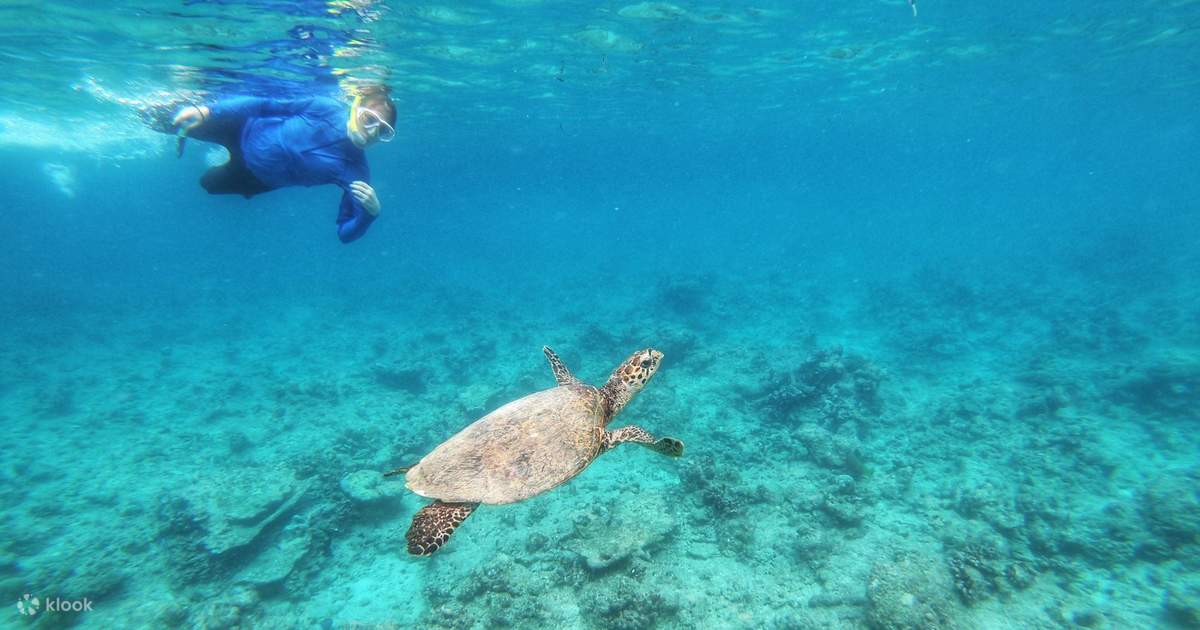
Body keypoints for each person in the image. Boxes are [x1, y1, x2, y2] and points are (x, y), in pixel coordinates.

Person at [161, 86, 396, 243]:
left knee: (207, 184)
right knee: (169, 119)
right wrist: (208, 110)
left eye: (383, 131)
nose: (372, 133)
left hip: (254, 179)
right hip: (241, 128)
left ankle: (215, 157)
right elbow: (265, 105)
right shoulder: (325, 108)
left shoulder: (357, 172)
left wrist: (370, 214)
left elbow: (344, 234)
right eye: (369, 119)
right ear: (355, 107)